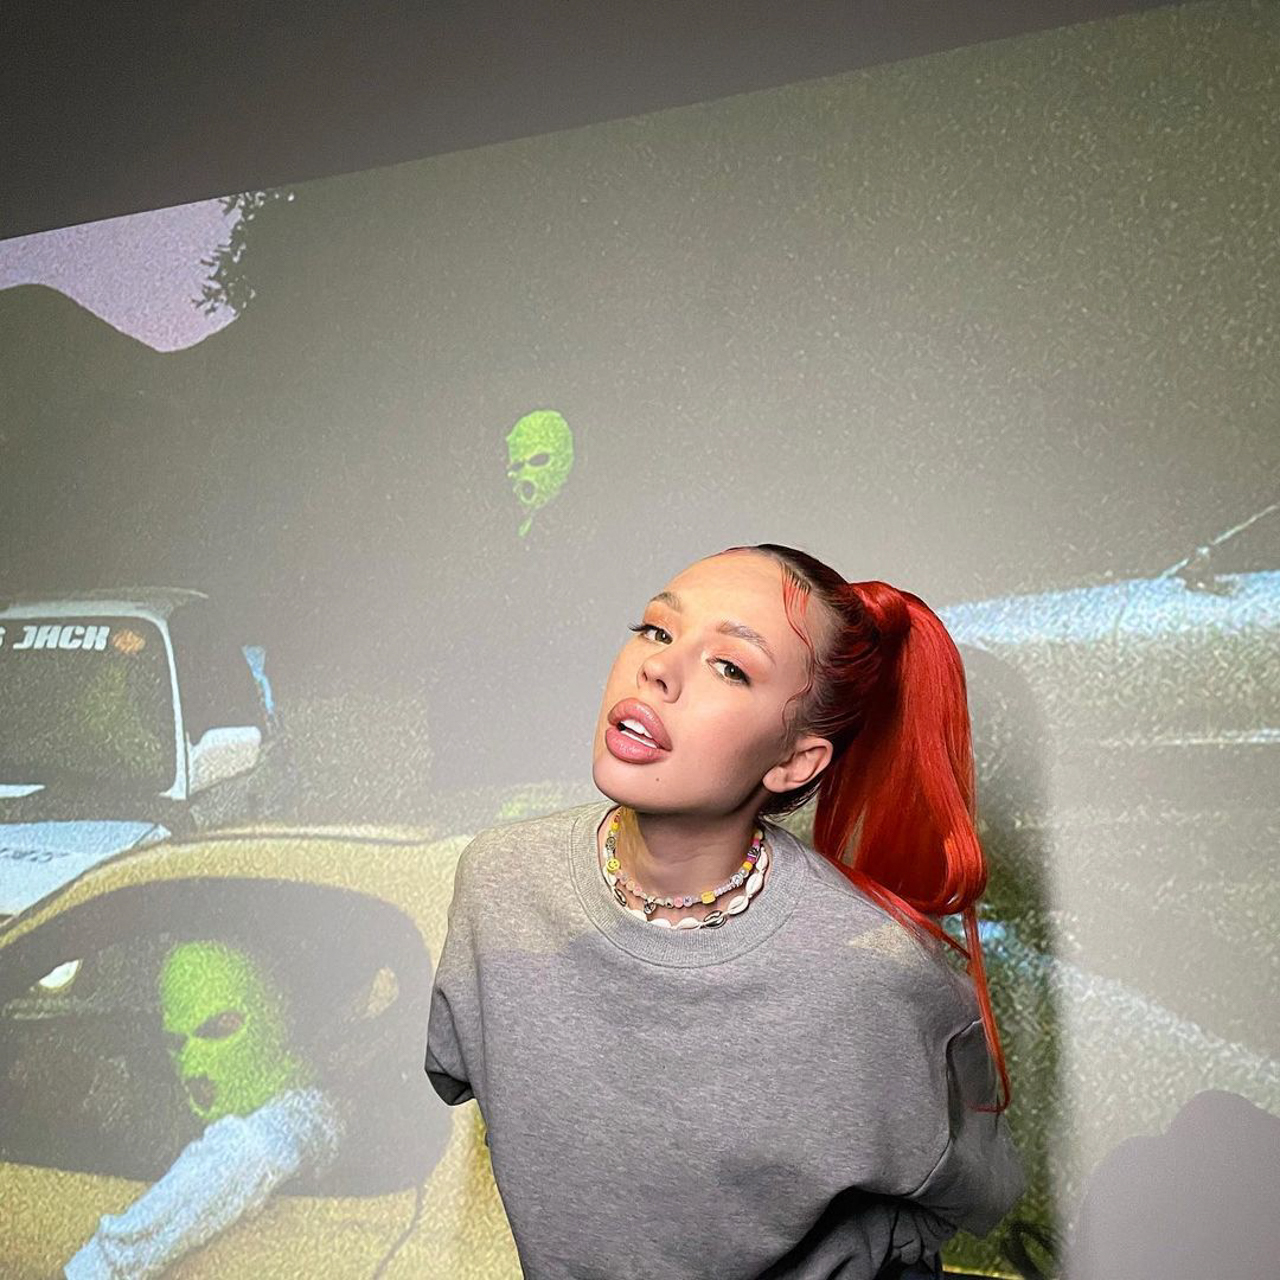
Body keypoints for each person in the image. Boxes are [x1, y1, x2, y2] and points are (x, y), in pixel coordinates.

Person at [425, 543, 1026, 1279]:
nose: (657, 667)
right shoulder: (501, 883)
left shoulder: (875, 973)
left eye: (730, 667)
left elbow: (965, 1199)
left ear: (795, 761)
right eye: (657, 629)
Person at [64, 938, 346, 1279]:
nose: (193, 1062)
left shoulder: (310, 1113)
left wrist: (100, 1267)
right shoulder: (203, 1105)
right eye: (176, 1042)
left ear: (270, 1017)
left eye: (218, 1028)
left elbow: (245, 1152)